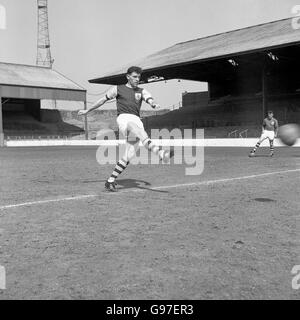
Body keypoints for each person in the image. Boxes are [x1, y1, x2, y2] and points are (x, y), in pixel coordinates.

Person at [78, 66, 173, 191]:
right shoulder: (118, 89)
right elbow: (102, 100)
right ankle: (160, 153)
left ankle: (110, 180)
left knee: (129, 155)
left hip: (137, 120)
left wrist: (153, 104)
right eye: (134, 77)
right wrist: (87, 110)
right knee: (137, 130)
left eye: (139, 77)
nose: (137, 79)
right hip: (124, 119)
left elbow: (149, 99)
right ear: (127, 76)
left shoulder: (142, 91)